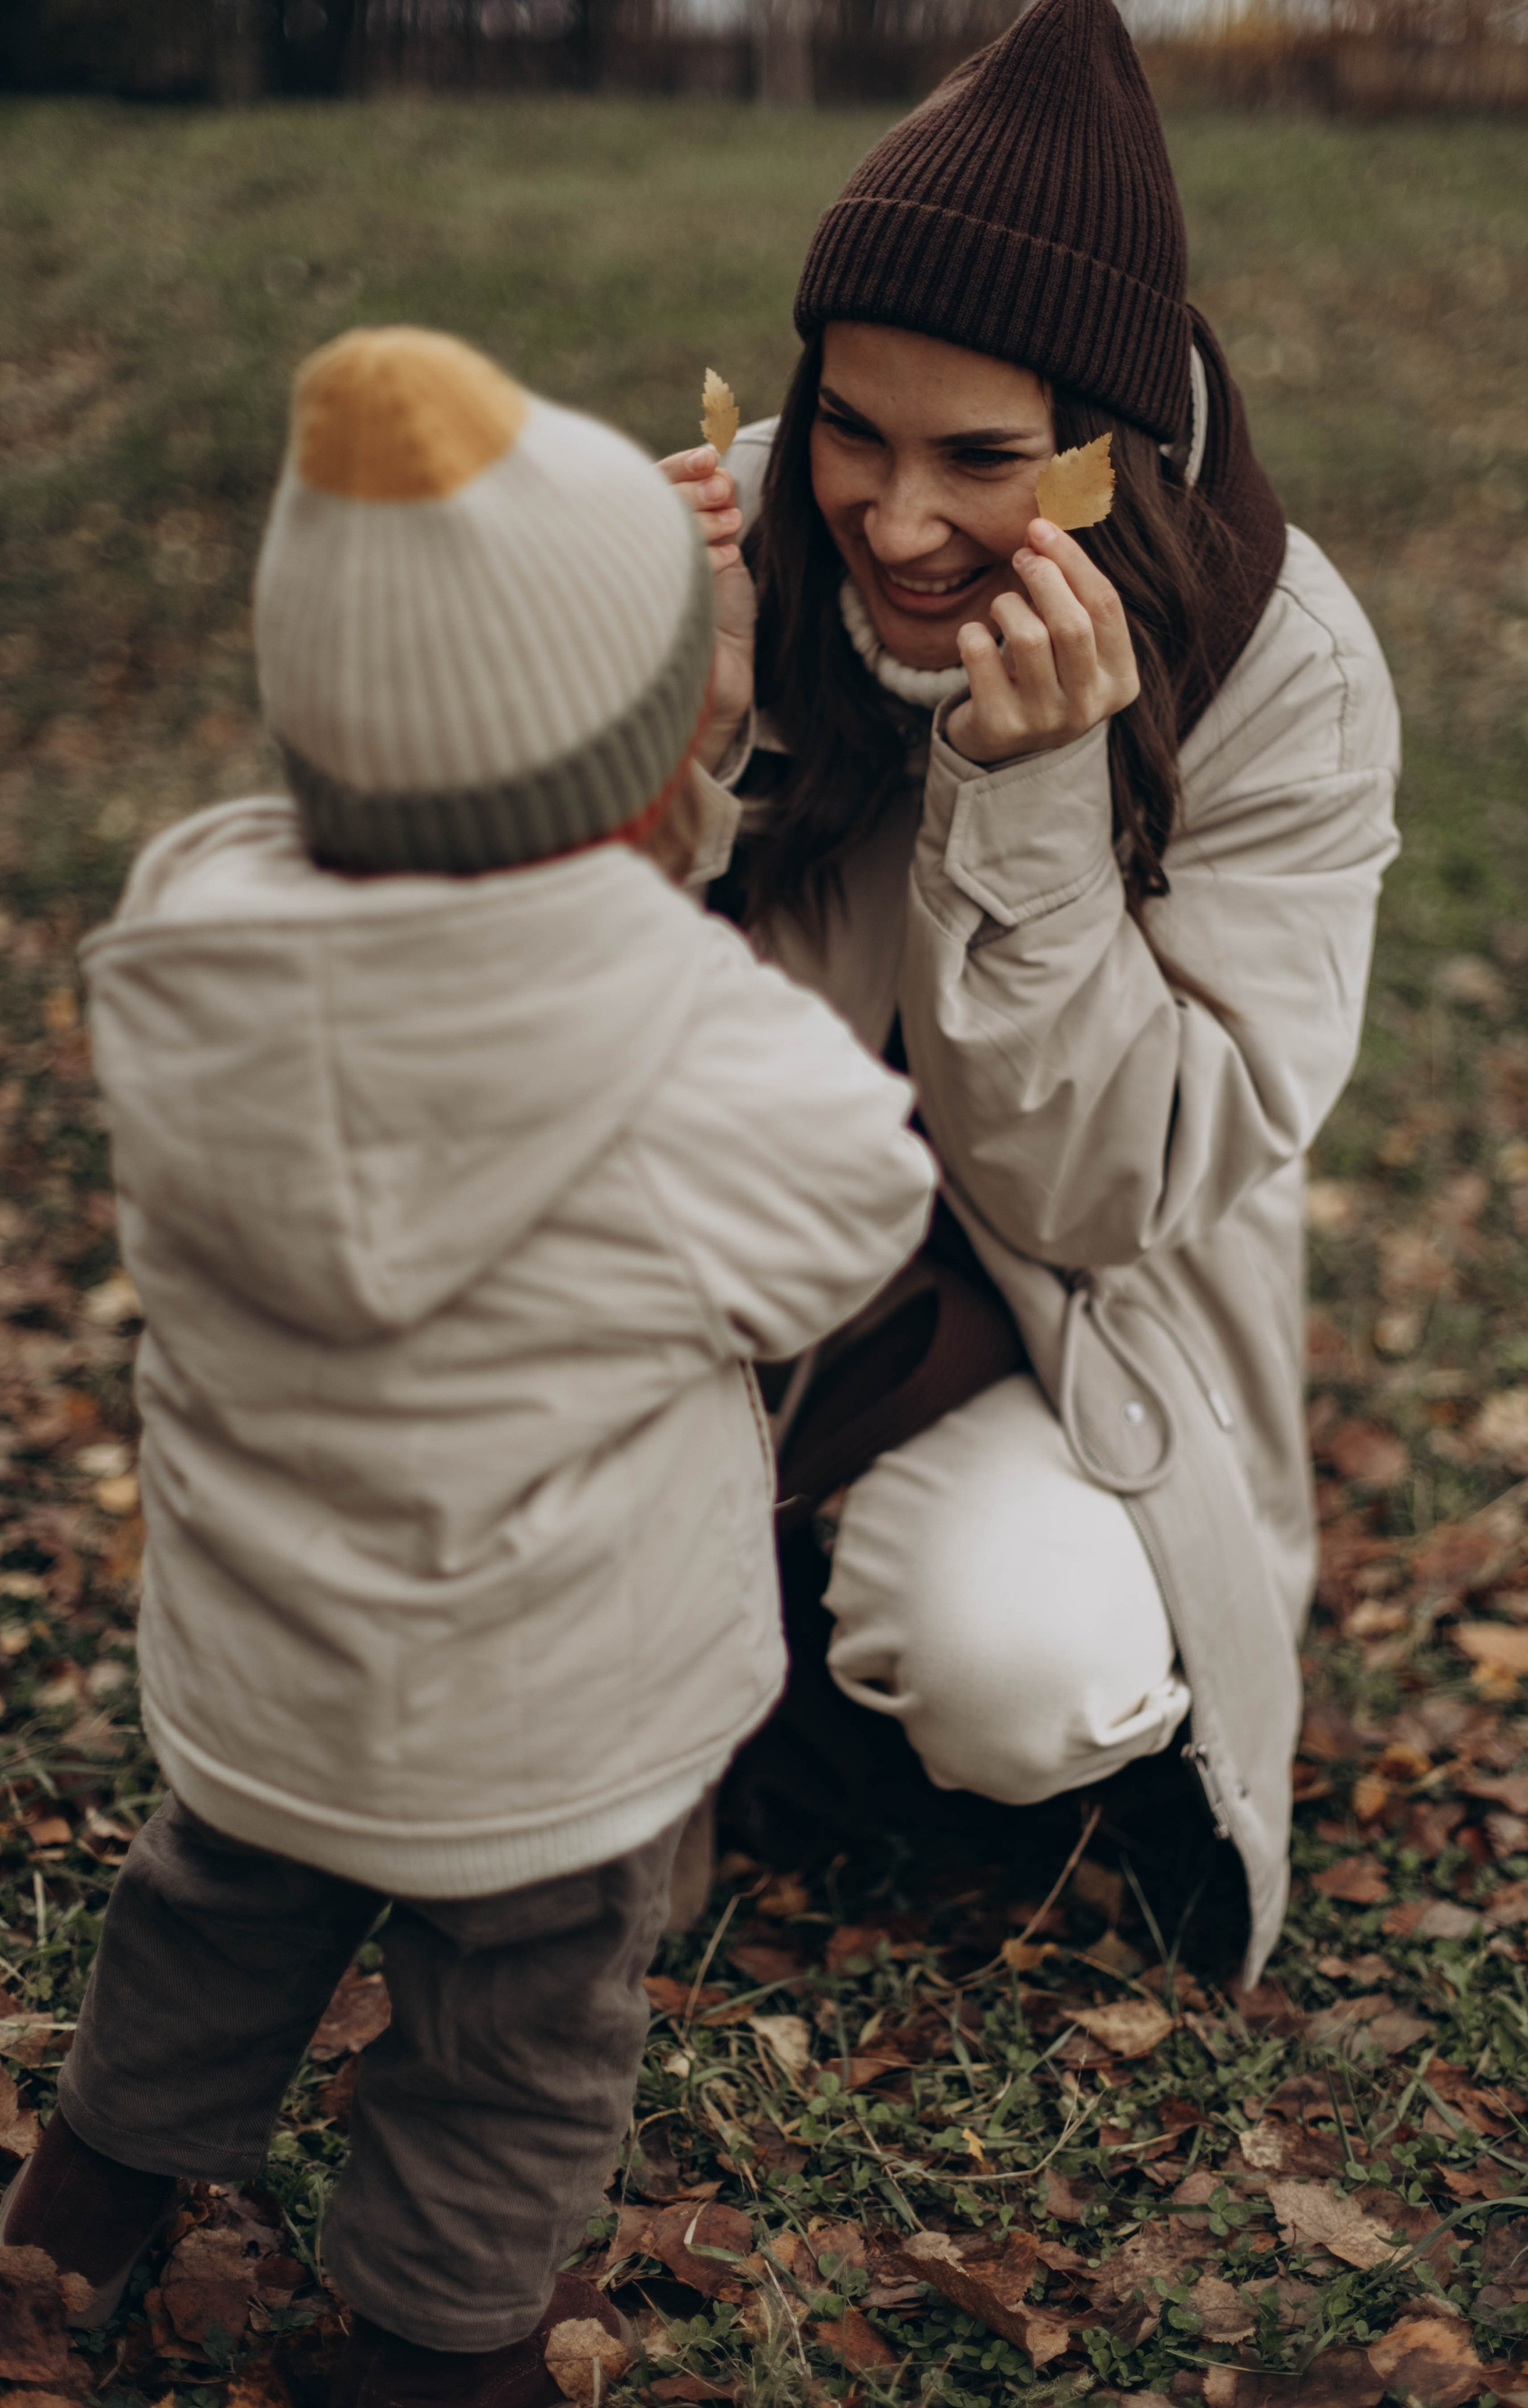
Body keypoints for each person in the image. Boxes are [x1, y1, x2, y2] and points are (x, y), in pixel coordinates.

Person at [13, 327, 935, 2407]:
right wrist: (689, 783)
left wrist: (621, 775)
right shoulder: (697, 1049)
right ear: (643, 769)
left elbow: (466, 945)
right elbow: (849, 1219)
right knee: (520, 2040)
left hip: (272, 1684)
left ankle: (82, 2206)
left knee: (216, 1912)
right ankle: (433, 2354)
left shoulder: (192, 933)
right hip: (550, 1720)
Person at [661, 0, 1400, 1985]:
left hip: (1073, 1321)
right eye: (852, 428)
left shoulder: (1287, 674)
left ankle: (852, 1647)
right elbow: (529, 1044)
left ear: (1115, 459)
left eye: (981, 461)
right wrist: (676, 755)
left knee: (1021, 1676)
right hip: (719, 1279)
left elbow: (1100, 1189)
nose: (896, 523)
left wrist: (1031, 806)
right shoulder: (722, 543)